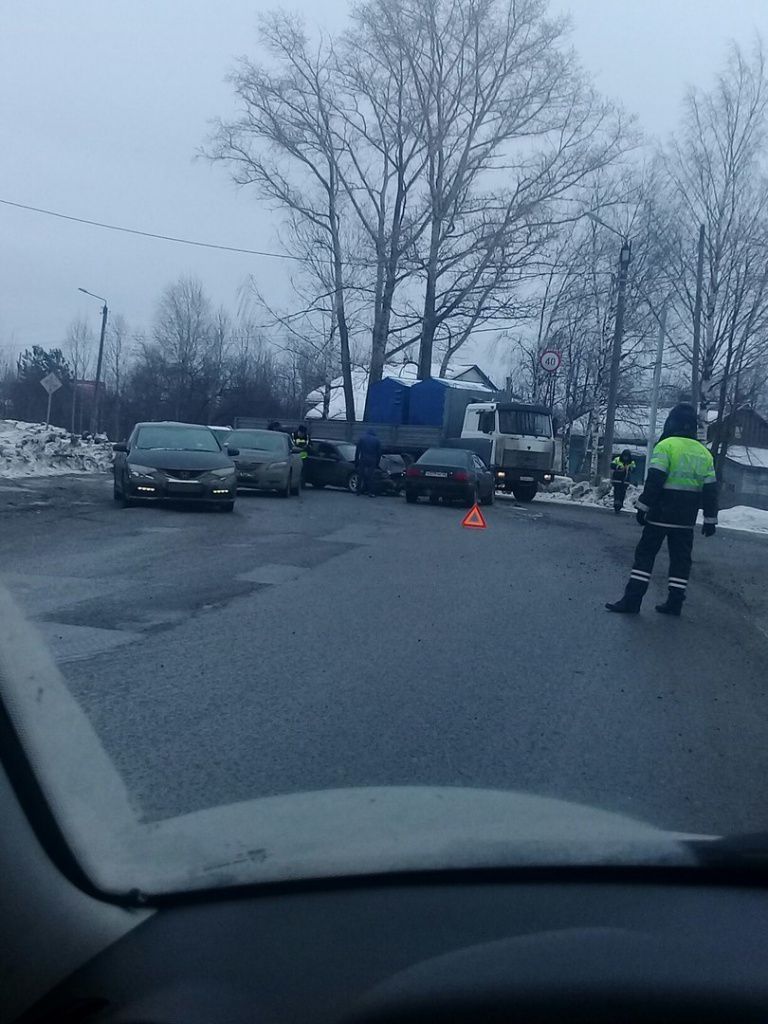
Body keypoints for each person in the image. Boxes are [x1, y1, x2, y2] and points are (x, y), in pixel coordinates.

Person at [605, 403, 718, 617]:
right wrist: (711, 519)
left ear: (671, 423)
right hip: (685, 519)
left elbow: (655, 481)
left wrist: (642, 507)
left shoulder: (666, 446)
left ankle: (632, 601)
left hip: (660, 514)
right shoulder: (705, 454)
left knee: (645, 555)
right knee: (681, 559)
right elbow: (711, 490)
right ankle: (675, 603)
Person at [355, 428, 382, 497]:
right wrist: (377, 463)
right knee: (370, 476)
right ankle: (370, 492)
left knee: (360, 475)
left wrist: (356, 461)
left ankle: (358, 491)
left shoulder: (362, 439)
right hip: (372, 460)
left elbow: (357, 451)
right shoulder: (377, 440)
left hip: (363, 458)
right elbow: (379, 453)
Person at [610, 449, 636, 514]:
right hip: (617, 479)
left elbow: (634, 469)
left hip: (625, 480)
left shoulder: (631, 462)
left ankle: (620, 504)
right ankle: (616, 503)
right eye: (624, 456)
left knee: (622, 492)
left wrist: (629, 468)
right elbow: (612, 465)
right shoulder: (617, 459)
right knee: (617, 491)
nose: (625, 458)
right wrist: (618, 467)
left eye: (627, 456)